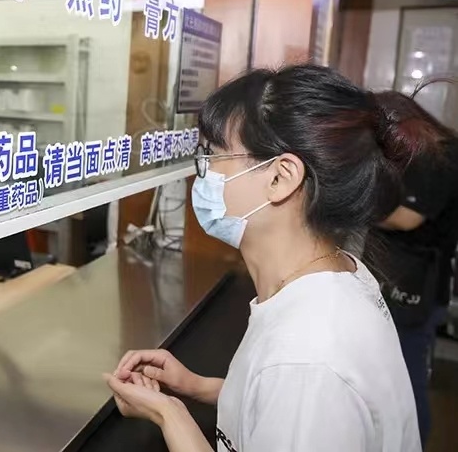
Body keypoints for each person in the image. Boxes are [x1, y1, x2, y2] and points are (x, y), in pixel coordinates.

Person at [104, 65, 425, 452]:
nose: (202, 173)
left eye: (214, 155)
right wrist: (199, 387)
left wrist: (169, 415)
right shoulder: (334, 274)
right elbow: (283, 409)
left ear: (280, 177)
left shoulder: (307, 358)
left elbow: (297, 388)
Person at [365, 88, 458, 448]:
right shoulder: (423, 150)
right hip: (402, 278)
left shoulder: (438, 159)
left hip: (417, 286)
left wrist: (349, 207)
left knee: (405, 378)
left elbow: (407, 218)